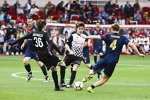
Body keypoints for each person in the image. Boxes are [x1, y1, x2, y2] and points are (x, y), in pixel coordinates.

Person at [81, 23, 144, 93]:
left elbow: (96, 37)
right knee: (105, 78)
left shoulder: (108, 35)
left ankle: (90, 74)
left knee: (94, 69)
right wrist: (139, 53)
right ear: (118, 30)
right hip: (113, 61)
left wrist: (86, 37)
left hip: (104, 58)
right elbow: (132, 45)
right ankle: (91, 87)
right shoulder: (123, 38)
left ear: (111, 29)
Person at [10, 20, 65, 91]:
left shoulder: (33, 33)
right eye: (45, 25)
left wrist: (12, 43)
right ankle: (62, 82)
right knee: (62, 64)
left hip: (39, 55)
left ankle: (57, 87)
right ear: (43, 26)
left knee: (53, 68)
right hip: (46, 54)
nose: (46, 26)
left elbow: (22, 38)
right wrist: (60, 52)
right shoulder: (44, 34)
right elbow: (51, 43)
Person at [59, 22, 86, 88]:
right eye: (79, 28)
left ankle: (70, 84)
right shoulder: (73, 36)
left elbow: (85, 45)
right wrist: (70, 51)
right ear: (77, 29)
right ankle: (62, 82)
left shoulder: (85, 37)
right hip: (70, 55)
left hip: (78, 56)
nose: (81, 30)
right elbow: (66, 44)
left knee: (74, 68)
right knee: (63, 66)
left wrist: (83, 53)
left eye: (82, 29)